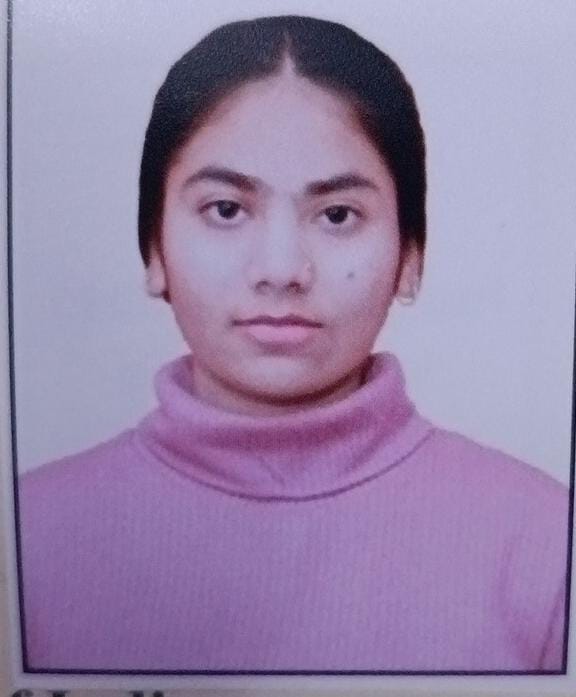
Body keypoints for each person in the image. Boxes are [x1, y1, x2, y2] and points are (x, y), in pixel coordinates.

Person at [19, 15, 568, 673]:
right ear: (154, 248)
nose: (281, 269)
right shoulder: (25, 537)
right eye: (226, 209)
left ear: (410, 257)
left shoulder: (545, 544)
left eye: (337, 215)